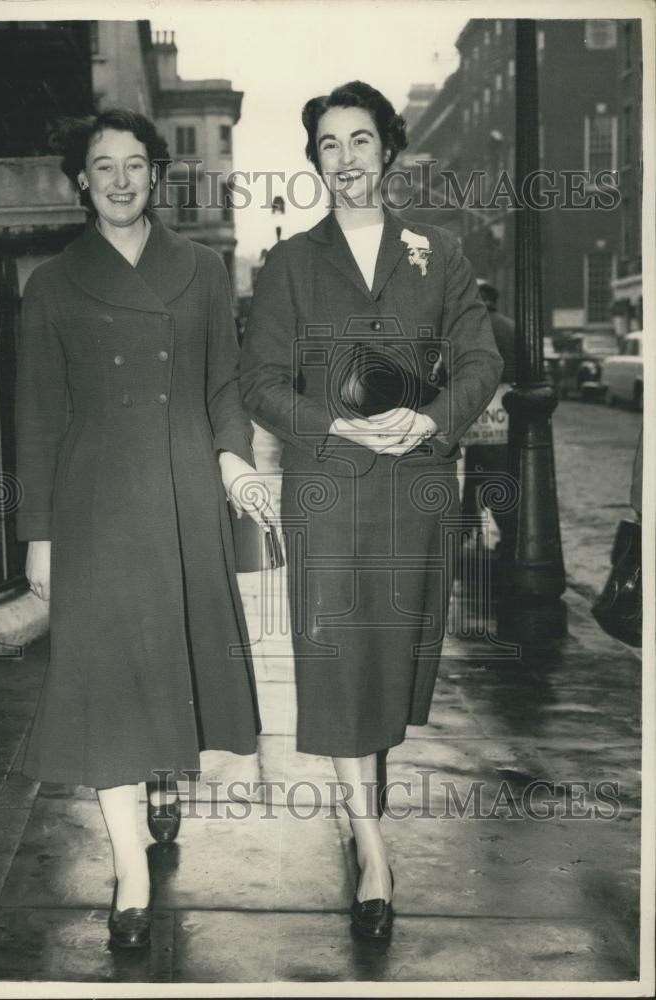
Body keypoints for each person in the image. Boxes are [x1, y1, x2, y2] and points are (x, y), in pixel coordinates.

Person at [239, 81, 503, 941]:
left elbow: (479, 358)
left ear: (388, 150)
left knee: (388, 665)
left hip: (415, 491)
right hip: (329, 491)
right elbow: (261, 383)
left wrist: (430, 418)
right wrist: (340, 422)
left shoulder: (440, 251)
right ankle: (372, 846)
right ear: (312, 159)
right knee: (339, 665)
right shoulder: (287, 265)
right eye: (328, 144)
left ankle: (363, 807)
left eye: (359, 141)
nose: (345, 159)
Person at [15, 109, 262, 950]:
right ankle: (127, 872)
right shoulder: (51, 284)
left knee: (172, 663)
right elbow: (39, 416)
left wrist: (235, 461)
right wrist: (38, 535)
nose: (119, 180)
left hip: (184, 491)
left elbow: (223, 387)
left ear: (157, 175)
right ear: (80, 181)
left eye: (134, 165)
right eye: (101, 166)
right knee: (102, 681)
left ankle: (166, 774)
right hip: (95, 505)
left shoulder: (202, 270)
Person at [461, 279, 517, 540]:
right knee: (502, 473)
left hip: (476, 414)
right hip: (507, 415)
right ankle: (507, 531)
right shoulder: (511, 327)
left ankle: (468, 529)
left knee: (473, 472)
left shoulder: (468, 328)